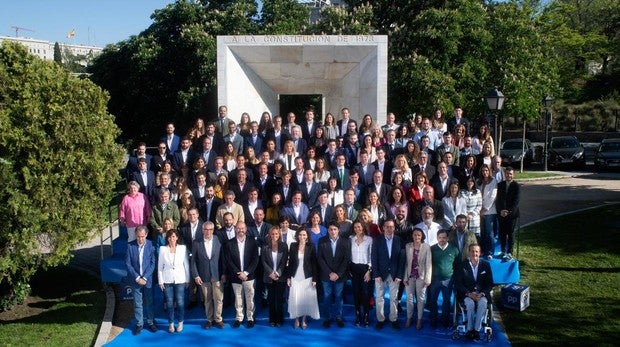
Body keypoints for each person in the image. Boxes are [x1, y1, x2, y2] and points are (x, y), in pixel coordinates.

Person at [190, 222, 226, 329]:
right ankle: (210, 320)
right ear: (202, 230)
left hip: (217, 274)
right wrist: (196, 275)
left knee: (219, 298)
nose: (208, 232)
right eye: (206, 229)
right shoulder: (196, 242)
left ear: (213, 230)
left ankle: (218, 319)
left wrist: (224, 273)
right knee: (207, 299)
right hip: (203, 275)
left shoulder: (218, 240)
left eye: (210, 229)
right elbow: (193, 261)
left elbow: (223, 258)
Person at [455, 244, 494, 341]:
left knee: (483, 303)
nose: (474, 253)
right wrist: (469, 294)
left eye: (476, 251)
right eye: (472, 251)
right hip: (467, 294)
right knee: (470, 303)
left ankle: (476, 330)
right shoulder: (463, 265)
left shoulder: (486, 265)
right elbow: (458, 284)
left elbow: (490, 283)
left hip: (481, 294)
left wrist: (482, 294)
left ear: (480, 253)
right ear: (469, 252)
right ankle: (469, 329)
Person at [372, 219, 405, 330]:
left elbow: (402, 259)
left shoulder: (399, 240)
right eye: (387, 227)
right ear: (383, 228)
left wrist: (400, 275)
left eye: (392, 227)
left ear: (394, 228)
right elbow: (374, 258)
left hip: (395, 275)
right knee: (379, 298)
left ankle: (393, 319)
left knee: (394, 298)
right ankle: (380, 319)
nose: (390, 229)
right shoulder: (377, 240)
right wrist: (376, 274)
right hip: (380, 274)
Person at [225, 221, 259, 328]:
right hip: (236, 277)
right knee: (238, 298)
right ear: (235, 229)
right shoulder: (229, 243)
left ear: (246, 229)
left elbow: (255, 259)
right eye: (238, 228)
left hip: (250, 276)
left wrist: (246, 272)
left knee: (250, 298)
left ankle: (250, 318)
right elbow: (229, 261)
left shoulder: (252, 241)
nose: (241, 230)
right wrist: (238, 273)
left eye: (242, 228)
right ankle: (239, 318)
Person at [317, 222, 351, 328]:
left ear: (338, 230)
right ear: (328, 230)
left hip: (339, 276)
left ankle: (338, 317)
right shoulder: (322, 241)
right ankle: (327, 318)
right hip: (326, 275)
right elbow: (320, 259)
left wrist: (338, 274)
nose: (333, 231)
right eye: (331, 229)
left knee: (338, 297)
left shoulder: (346, 242)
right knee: (327, 297)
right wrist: (329, 273)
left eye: (335, 229)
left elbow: (346, 259)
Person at [125, 226, 157, 335]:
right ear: (135, 235)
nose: (140, 239)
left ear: (146, 235)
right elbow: (128, 264)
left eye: (142, 237)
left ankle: (151, 321)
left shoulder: (151, 245)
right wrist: (138, 278)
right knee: (137, 303)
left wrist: (145, 277)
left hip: (147, 280)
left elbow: (153, 263)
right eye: (138, 237)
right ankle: (139, 324)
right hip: (135, 280)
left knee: (149, 302)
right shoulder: (130, 246)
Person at [158, 229, 190, 333]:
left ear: (177, 237)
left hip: (180, 279)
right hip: (167, 280)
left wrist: (187, 279)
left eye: (174, 236)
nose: (172, 239)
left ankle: (180, 322)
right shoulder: (163, 249)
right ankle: (171, 323)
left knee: (180, 302)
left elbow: (186, 264)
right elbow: (160, 266)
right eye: (170, 237)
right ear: (167, 238)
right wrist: (160, 281)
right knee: (169, 303)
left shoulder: (182, 248)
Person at [287, 229, 320, 329]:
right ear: (297, 236)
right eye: (300, 235)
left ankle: (304, 320)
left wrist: (315, 279)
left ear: (307, 236)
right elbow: (290, 263)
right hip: (295, 276)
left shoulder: (311, 246)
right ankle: (297, 319)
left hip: (307, 277)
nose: (302, 236)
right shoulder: (293, 246)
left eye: (304, 235)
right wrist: (289, 277)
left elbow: (314, 263)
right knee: (296, 298)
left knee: (306, 298)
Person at [428, 229, 459, 329]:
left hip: (448, 280)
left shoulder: (454, 249)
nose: (442, 239)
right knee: (433, 300)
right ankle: (434, 320)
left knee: (446, 301)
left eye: (444, 237)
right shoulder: (431, 249)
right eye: (440, 237)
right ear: (437, 238)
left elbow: (457, 265)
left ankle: (445, 321)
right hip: (435, 280)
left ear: (448, 238)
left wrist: (454, 279)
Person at [403, 228, 432, 330]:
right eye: (415, 235)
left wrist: (428, 278)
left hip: (421, 277)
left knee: (420, 299)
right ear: (412, 236)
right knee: (409, 299)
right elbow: (406, 263)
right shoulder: (408, 246)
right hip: (410, 276)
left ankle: (419, 319)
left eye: (419, 235)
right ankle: (409, 318)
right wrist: (405, 277)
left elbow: (428, 263)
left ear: (422, 236)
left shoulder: (426, 247)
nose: (417, 237)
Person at [261, 226, 289, 327]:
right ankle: (272, 319)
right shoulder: (265, 246)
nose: (274, 236)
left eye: (276, 234)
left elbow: (284, 261)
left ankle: (279, 319)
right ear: (269, 235)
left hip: (280, 277)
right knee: (271, 299)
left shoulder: (284, 246)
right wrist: (270, 273)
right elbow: (263, 261)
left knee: (279, 299)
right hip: (269, 277)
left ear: (279, 235)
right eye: (272, 234)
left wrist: (277, 273)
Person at [349, 221, 373, 326]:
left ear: (363, 227)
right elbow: (348, 255)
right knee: (356, 293)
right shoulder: (350, 239)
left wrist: (369, 271)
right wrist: (349, 270)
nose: (357, 229)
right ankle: (358, 315)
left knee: (366, 293)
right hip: (354, 268)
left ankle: (366, 315)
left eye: (359, 227)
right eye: (355, 227)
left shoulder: (369, 239)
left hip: (365, 269)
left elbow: (371, 256)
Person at [496, 167, 520, 261]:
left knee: (510, 233)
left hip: (511, 214)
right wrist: (501, 211)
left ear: (513, 175)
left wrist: (508, 211)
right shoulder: (500, 185)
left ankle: (509, 252)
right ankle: (503, 251)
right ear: (504, 174)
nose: (508, 175)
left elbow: (516, 201)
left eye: (510, 174)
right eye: (507, 173)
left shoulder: (516, 186)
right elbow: (497, 199)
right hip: (501, 214)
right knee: (502, 233)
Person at [478, 164, 498, 259]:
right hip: (480, 211)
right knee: (483, 232)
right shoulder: (480, 182)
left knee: (489, 232)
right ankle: (484, 250)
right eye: (483, 171)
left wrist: (484, 209)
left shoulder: (493, 181)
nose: (484, 172)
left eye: (486, 170)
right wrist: (479, 210)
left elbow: (493, 197)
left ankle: (490, 252)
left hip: (489, 211)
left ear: (489, 171)